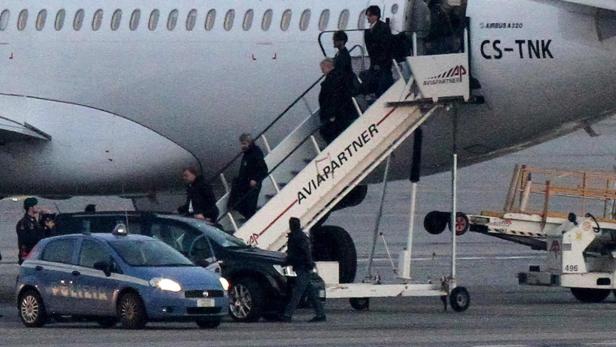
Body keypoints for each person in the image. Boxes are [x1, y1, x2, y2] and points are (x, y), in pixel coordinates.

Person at [280, 217, 326, 322]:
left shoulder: (297, 237)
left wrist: (287, 262)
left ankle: (287, 314)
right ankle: (320, 314)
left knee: (298, 292)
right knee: (311, 292)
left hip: (302, 267)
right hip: (303, 266)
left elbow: (304, 252)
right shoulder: (299, 236)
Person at [318, 58, 358, 144]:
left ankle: (336, 147)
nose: (322, 72)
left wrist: (331, 114)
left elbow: (334, 98)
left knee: (326, 131)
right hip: (344, 112)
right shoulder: (339, 76)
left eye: (322, 69)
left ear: (328, 67)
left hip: (339, 114)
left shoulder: (332, 80)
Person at [229, 133, 268, 219]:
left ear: (249, 143)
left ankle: (250, 222)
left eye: (244, 144)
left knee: (250, 207)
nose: (242, 146)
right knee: (242, 203)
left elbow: (264, 169)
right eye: (241, 144)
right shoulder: (246, 153)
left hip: (253, 185)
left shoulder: (256, 153)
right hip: (245, 182)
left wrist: (255, 179)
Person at [363, 5, 393, 97]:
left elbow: (385, 47)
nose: (368, 18)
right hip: (375, 62)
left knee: (381, 84)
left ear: (375, 16)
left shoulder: (383, 28)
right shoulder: (370, 30)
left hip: (382, 63)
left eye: (369, 16)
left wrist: (379, 63)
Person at [16, 198, 45, 264]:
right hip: (29, 254)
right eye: (36, 205)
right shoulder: (23, 223)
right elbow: (25, 240)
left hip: (35, 253)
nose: (38, 207)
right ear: (30, 207)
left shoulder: (34, 221)